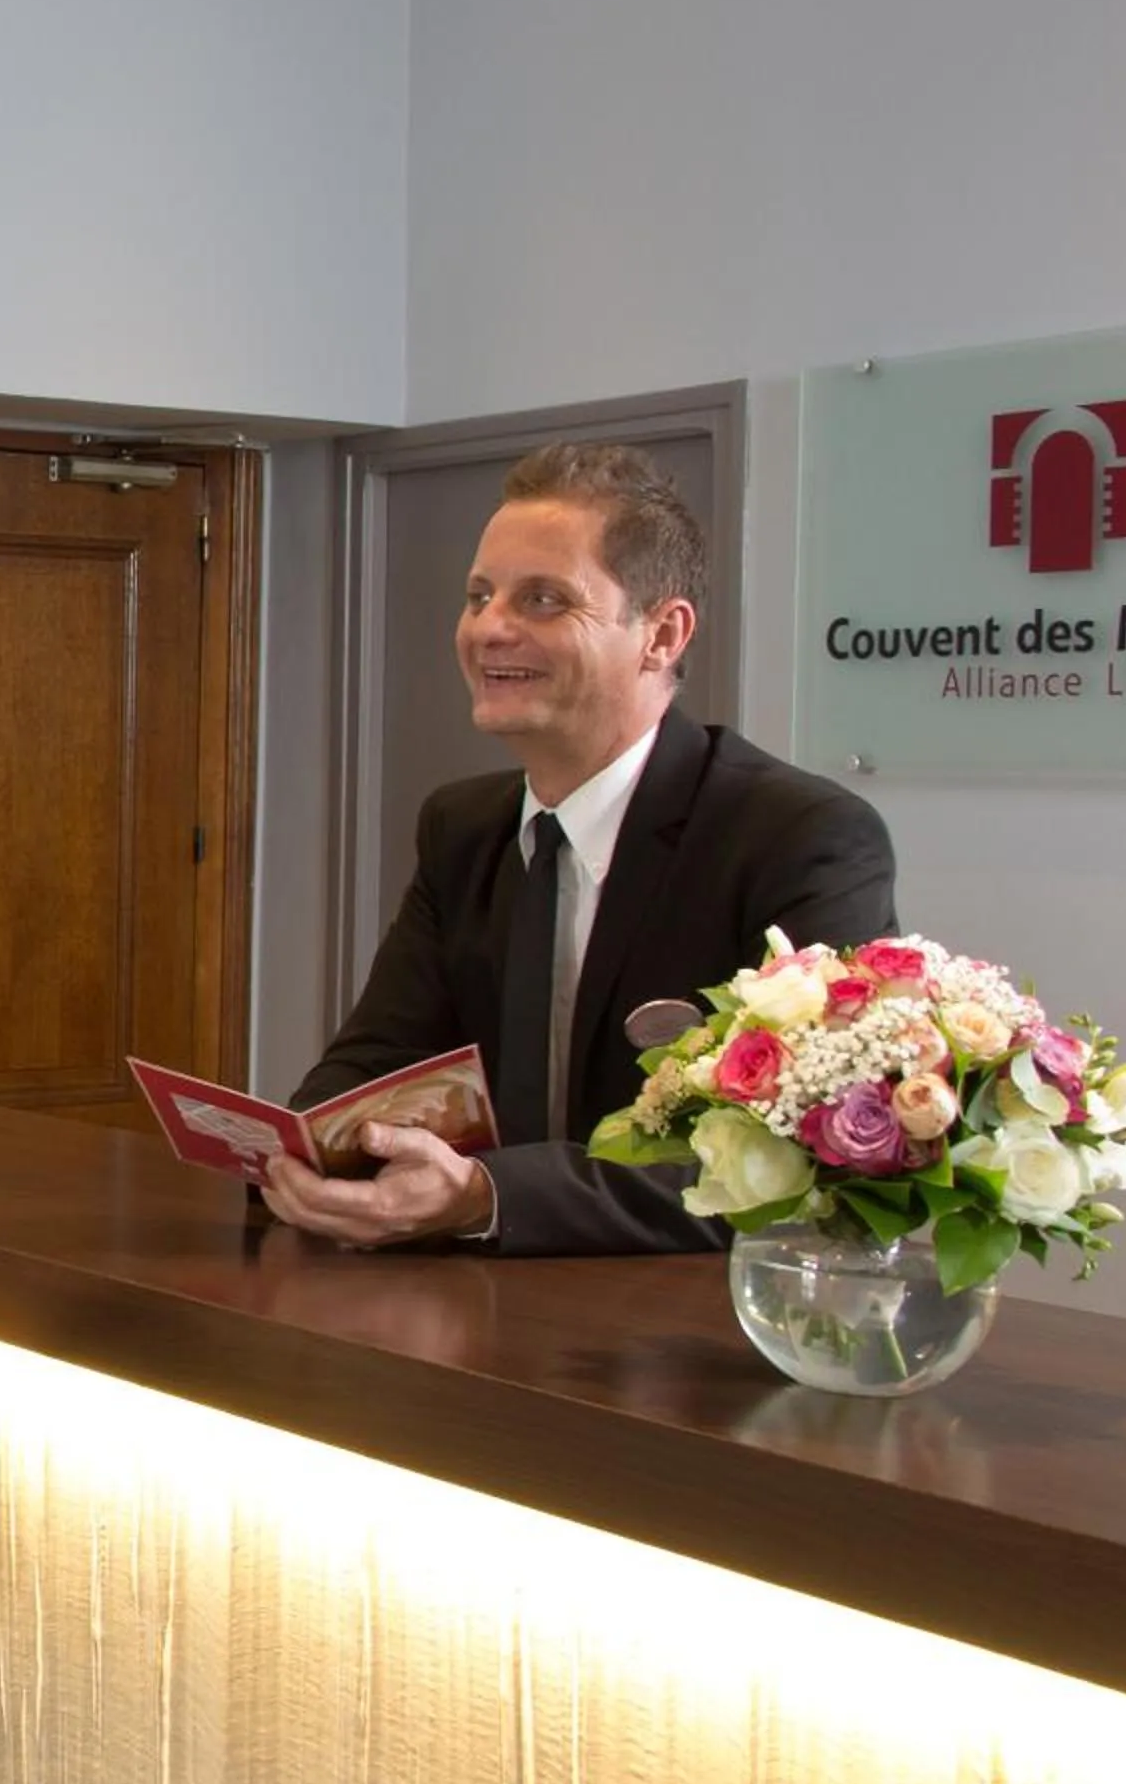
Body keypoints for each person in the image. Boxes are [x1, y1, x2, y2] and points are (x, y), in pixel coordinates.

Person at [262, 442, 896, 1257]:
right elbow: (378, 1060)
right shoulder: (462, 827)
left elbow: (800, 1161)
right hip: (472, 1315)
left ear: (661, 634)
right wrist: (308, 1154)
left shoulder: (800, 837)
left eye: (544, 600)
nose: (490, 629)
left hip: (699, 1339)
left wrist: (481, 1196)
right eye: (479, 596)